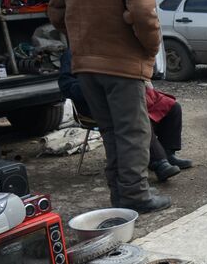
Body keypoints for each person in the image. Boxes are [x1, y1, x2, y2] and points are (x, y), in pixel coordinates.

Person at [47, 0, 170, 213]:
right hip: (122, 66)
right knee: (134, 132)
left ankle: (120, 194)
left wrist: (83, 35)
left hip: (85, 66)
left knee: (111, 132)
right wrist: (149, 49)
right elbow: (144, 14)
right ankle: (136, 196)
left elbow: (55, 13)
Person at [59, 47, 193, 183]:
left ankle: (168, 153)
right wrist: (97, 87)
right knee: (137, 118)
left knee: (172, 107)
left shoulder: (108, 46)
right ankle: (159, 162)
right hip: (94, 105)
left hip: (121, 97)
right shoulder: (73, 53)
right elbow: (66, 86)